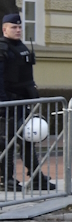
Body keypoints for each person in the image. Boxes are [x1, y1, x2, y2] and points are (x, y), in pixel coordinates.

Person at [1, 13, 54, 191]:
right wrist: (3, 104)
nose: (18, 30)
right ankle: (6, 179)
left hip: (23, 102)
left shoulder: (21, 47)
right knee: (7, 142)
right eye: (13, 27)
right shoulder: (3, 48)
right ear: (4, 29)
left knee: (27, 139)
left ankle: (37, 177)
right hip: (9, 103)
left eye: (19, 27)